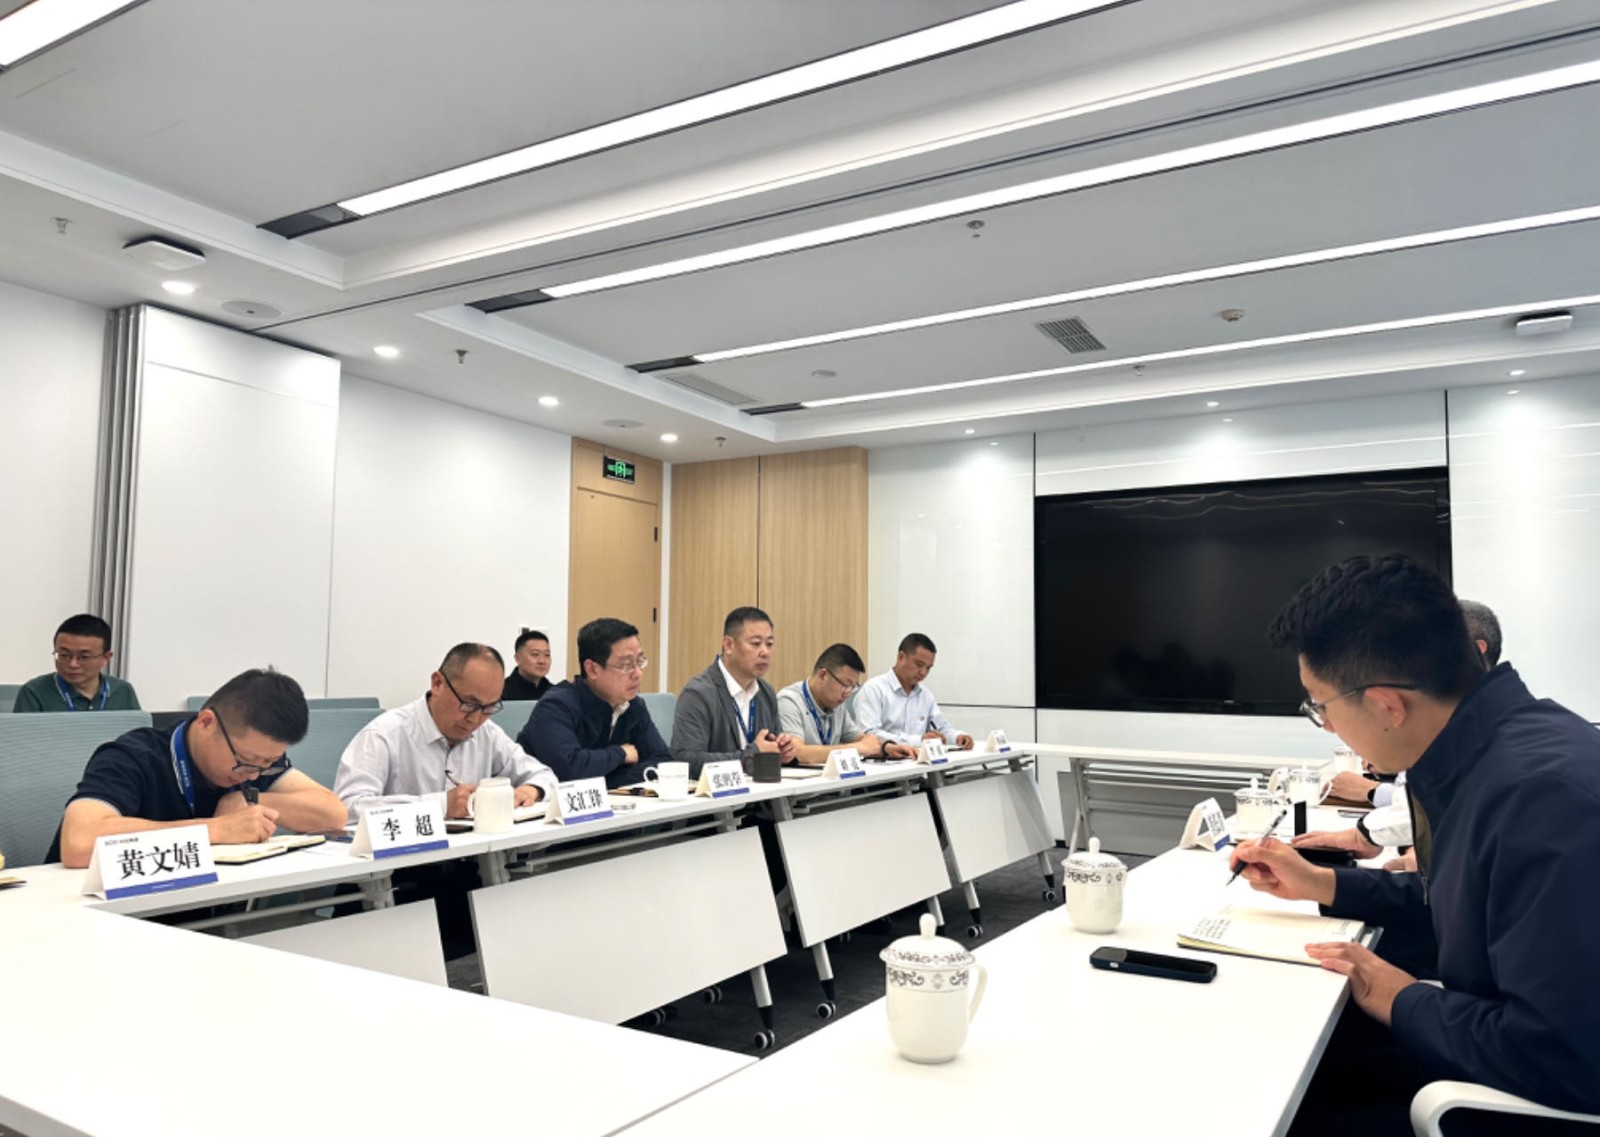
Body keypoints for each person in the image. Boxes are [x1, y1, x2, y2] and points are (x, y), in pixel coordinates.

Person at [1230, 554, 1600, 1132]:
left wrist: (1400, 997)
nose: (1328, 726)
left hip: (1522, 1101)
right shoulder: (1489, 755)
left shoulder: (1542, 797)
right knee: (1272, 1051)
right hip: (1483, 1041)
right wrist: (1321, 883)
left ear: (1387, 704)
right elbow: (1464, 906)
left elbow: (1563, 1054)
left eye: (1320, 707)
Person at [49, 669, 343, 867]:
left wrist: (247, 799)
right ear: (206, 723)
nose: (253, 774)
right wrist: (217, 829)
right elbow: (79, 844)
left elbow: (333, 814)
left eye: (266, 764)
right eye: (245, 761)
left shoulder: (257, 760)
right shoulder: (132, 757)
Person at [1310, 599, 1503, 856]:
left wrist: (1366, 826)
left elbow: (1437, 802)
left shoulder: (1485, 727)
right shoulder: (1475, 713)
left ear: (1475, 651)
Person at [333, 643, 557, 820]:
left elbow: (544, 775)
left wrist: (531, 790)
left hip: (472, 856)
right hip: (404, 860)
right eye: (469, 704)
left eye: (489, 707)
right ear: (438, 683)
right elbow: (346, 809)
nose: (475, 719)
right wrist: (440, 806)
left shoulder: (487, 733)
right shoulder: (385, 734)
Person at [519, 617, 671, 787]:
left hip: (613, 801)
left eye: (640, 662)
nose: (638, 674)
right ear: (592, 669)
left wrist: (605, 778)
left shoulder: (633, 705)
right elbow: (569, 771)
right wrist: (620, 753)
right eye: (627, 665)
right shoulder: (556, 706)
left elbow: (663, 761)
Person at [672, 606, 795, 777]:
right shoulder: (698, 694)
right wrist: (750, 755)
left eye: (769, 644)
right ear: (728, 645)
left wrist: (782, 752)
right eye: (756, 644)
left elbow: (770, 747)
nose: (765, 652)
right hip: (716, 793)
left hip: (760, 791)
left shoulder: (766, 692)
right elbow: (687, 761)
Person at [776, 643, 912, 764]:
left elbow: (861, 739)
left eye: (853, 687)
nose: (848, 693)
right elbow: (797, 752)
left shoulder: (837, 705)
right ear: (823, 675)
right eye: (846, 685)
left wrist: (887, 748)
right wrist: (857, 749)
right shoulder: (789, 701)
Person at [855, 633, 974, 750]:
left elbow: (942, 728)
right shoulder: (874, 689)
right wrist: (918, 740)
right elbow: (868, 735)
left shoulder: (925, 695)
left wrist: (957, 737)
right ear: (901, 657)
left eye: (928, 668)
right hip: (883, 760)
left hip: (919, 760)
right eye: (919, 665)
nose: (923, 672)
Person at [13, 614, 141, 713]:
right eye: (64, 655)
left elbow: (139, 736)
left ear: (106, 658)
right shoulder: (35, 692)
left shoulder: (123, 691)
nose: (72, 664)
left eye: (84, 657)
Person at [502, 629, 554, 702]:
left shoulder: (555, 693)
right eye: (535, 654)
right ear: (518, 658)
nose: (542, 661)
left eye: (547, 655)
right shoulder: (501, 692)